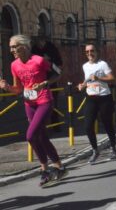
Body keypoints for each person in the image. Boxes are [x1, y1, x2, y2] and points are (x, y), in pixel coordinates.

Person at [0, 34, 67, 187]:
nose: (11, 50)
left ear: (23, 46)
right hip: (29, 103)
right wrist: (7, 87)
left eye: (14, 46)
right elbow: (18, 89)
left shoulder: (39, 60)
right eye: (10, 47)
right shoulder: (14, 65)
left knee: (31, 135)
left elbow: (58, 73)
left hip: (44, 101)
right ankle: (56, 167)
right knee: (42, 137)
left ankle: (47, 169)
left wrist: (44, 83)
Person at [77, 43, 116, 164]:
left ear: (96, 51)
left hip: (104, 97)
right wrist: (82, 85)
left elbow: (112, 78)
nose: (90, 53)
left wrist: (99, 78)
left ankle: (113, 147)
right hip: (91, 97)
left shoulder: (102, 64)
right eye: (87, 52)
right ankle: (95, 150)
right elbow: (87, 80)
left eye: (92, 51)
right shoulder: (85, 66)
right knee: (88, 126)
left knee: (107, 124)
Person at [31, 35, 63, 132]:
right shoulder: (34, 49)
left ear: (43, 41)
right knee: (38, 104)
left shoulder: (51, 48)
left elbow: (59, 64)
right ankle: (40, 126)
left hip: (51, 78)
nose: (39, 45)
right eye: (36, 43)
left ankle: (55, 125)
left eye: (39, 43)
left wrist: (48, 60)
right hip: (38, 80)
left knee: (53, 103)